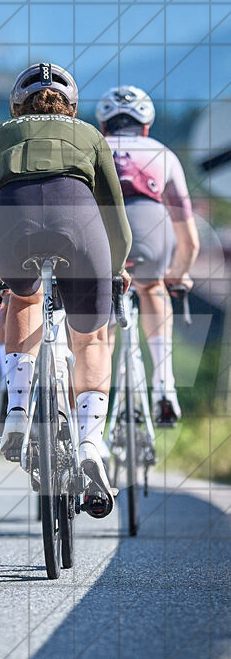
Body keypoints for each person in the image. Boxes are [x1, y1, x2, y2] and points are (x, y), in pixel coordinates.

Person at [0, 62, 132, 514]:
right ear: (72, 104)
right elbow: (114, 213)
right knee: (91, 337)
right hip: (78, 224)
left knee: (22, 297)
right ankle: (88, 440)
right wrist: (117, 266)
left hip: (10, 224)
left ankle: (18, 413)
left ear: (17, 104)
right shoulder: (90, 135)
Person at [96, 86, 200, 424]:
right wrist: (178, 273)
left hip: (102, 237)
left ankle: (93, 419)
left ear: (103, 125)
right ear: (146, 125)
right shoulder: (164, 154)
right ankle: (164, 385)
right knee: (152, 286)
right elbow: (189, 240)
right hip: (150, 234)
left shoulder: (90, 149)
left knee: (100, 321)